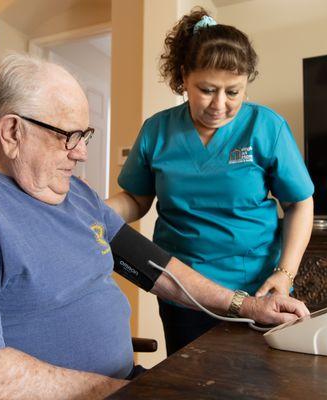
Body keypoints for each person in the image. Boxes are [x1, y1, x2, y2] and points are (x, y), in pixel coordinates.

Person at [0, 54, 309, 400]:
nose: (82, 153)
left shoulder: (75, 196)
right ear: (12, 132)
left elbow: (154, 267)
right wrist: (130, 391)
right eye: (68, 136)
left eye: (85, 134)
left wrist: (245, 305)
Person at [106, 8, 315, 356]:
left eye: (233, 92)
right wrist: (95, 212)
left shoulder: (266, 127)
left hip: (259, 290)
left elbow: (299, 203)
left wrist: (285, 273)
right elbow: (136, 199)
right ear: (184, 78)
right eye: (207, 90)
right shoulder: (157, 131)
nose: (220, 104)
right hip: (184, 291)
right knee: (192, 382)